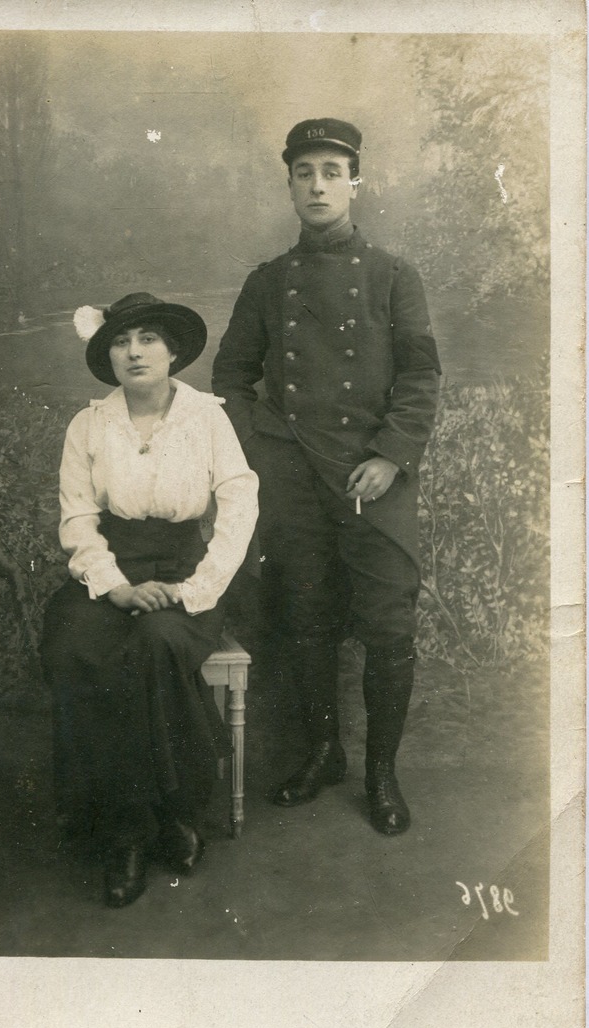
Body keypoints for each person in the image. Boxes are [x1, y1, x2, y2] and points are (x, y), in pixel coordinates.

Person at [212, 118, 441, 835]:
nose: (317, 185)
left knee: (386, 626)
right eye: (304, 172)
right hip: (296, 483)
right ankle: (322, 753)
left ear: (355, 184)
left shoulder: (394, 276)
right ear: (288, 185)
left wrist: (390, 456)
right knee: (305, 618)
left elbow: (421, 375)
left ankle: (381, 774)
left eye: (332, 171)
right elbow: (229, 377)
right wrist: (266, 453)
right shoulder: (267, 282)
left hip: (372, 481)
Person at [40, 292, 258, 907]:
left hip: (187, 569)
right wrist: (117, 588)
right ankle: (127, 828)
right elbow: (78, 518)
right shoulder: (88, 424)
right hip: (115, 569)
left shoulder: (208, 418)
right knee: (74, 644)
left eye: (148, 339)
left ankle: (177, 813)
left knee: (159, 641)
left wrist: (195, 590)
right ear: (107, 354)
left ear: (173, 351)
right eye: (120, 341)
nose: (135, 352)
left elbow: (239, 507)